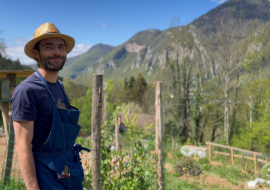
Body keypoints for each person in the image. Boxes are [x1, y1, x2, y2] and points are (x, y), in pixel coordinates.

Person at [11, 23, 89, 190]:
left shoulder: (60, 86)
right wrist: (32, 188)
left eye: (61, 47)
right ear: (35, 53)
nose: (57, 52)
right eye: (49, 47)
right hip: (46, 178)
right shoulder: (26, 91)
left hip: (70, 172)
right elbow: (22, 145)